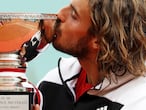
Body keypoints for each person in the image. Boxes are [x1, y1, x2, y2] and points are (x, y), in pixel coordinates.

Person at [31, 0, 146, 110]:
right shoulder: (53, 82)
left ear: (99, 40)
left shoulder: (137, 102)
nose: (60, 14)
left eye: (74, 15)